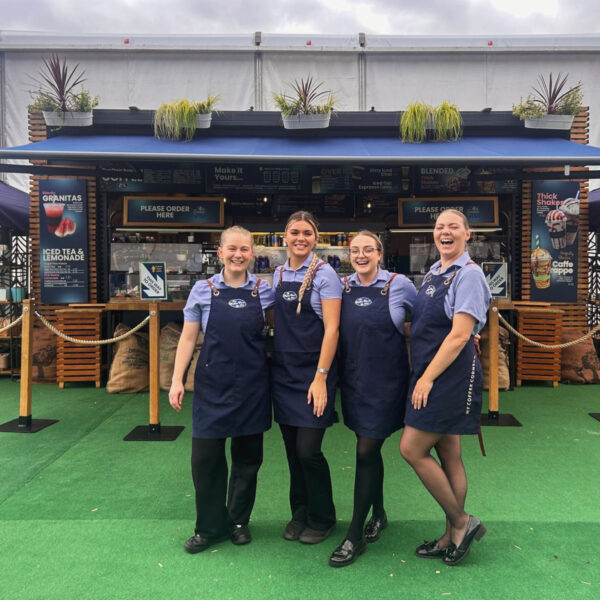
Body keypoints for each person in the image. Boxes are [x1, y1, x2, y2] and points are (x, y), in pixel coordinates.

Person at [169, 226, 274, 554]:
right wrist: (176, 379)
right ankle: (209, 527)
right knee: (206, 459)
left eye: (244, 249)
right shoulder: (203, 290)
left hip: (253, 386)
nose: (238, 254)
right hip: (212, 386)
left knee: (248, 459)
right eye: (232, 249)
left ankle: (238, 521)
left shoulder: (263, 290)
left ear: (252, 254)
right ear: (220, 253)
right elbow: (188, 338)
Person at [399, 209, 491, 566]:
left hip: (447, 375)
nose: (445, 232)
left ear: (468, 234)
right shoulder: (436, 273)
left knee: (412, 449)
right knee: (449, 453)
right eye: (440, 227)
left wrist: (426, 378)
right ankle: (451, 536)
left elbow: (458, 336)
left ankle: (462, 522)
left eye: (454, 226)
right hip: (431, 369)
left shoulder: (469, 275)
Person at [329, 231, 416, 568]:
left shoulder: (399, 285)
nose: (361, 255)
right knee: (369, 448)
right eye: (355, 250)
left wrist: (470, 334)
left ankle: (354, 535)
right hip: (354, 382)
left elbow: (426, 323)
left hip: (387, 384)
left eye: (368, 249)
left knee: (366, 450)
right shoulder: (342, 286)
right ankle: (378, 513)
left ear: (380, 253)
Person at [271, 211, 342, 545]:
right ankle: (299, 513)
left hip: (316, 373)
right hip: (284, 373)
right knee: (290, 450)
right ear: (285, 237)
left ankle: (323, 516)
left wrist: (321, 378)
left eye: (307, 233)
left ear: (316, 238)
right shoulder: (278, 273)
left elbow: (332, 330)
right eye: (294, 232)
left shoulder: (326, 275)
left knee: (308, 450)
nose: (301, 238)